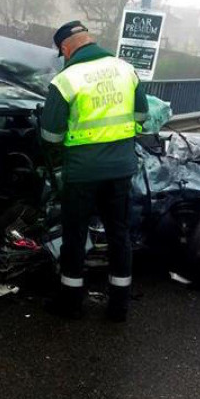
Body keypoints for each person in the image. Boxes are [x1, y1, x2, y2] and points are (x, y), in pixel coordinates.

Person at [41, 21, 148, 321]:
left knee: (74, 236)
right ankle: (119, 307)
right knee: (119, 235)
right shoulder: (125, 69)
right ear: (89, 39)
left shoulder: (67, 79)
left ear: (65, 48)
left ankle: (71, 304)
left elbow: (50, 135)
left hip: (82, 173)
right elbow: (141, 114)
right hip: (120, 170)